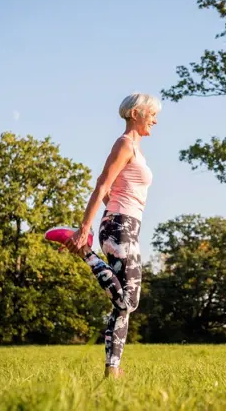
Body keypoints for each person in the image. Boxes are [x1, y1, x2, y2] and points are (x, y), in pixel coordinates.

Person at [64, 93, 160, 379]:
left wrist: (112, 212)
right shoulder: (124, 144)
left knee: (125, 307)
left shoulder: (137, 150)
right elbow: (102, 184)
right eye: (151, 114)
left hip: (126, 224)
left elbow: (111, 193)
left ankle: (112, 372)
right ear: (136, 113)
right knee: (128, 301)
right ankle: (86, 253)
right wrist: (85, 228)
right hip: (120, 225)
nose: (155, 120)